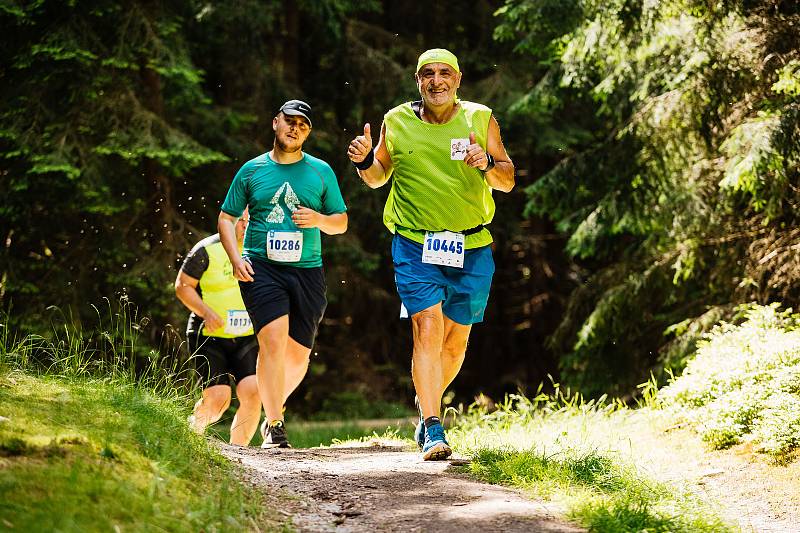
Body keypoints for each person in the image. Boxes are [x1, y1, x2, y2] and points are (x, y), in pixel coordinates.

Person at [347, 49, 515, 460]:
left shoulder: (480, 116)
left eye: (444, 74)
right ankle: (436, 428)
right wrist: (366, 158)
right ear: (417, 81)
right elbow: (376, 178)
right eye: (428, 74)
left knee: (455, 345)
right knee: (427, 327)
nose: (436, 81)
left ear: (457, 80)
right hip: (414, 243)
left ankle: (425, 413)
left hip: (471, 245)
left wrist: (486, 162)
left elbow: (507, 180)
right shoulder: (397, 120)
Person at [218, 99, 348, 448]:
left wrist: (319, 220)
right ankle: (275, 424)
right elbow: (226, 219)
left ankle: (272, 403)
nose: (295, 128)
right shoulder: (251, 170)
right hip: (262, 267)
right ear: (275, 122)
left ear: (308, 133)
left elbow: (341, 222)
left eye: (303, 125)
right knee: (272, 341)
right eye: (290, 121)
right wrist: (235, 259)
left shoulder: (321, 171)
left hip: (307, 271)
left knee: (298, 355)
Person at [175, 210, 262, 446]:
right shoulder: (206, 249)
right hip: (209, 335)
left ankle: (239, 453)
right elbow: (183, 286)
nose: (246, 226)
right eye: (241, 221)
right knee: (218, 399)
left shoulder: (261, 250)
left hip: (246, 336)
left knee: (254, 392)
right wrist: (206, 312)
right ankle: (191, 437)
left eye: (251, 221)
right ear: (229, 222)